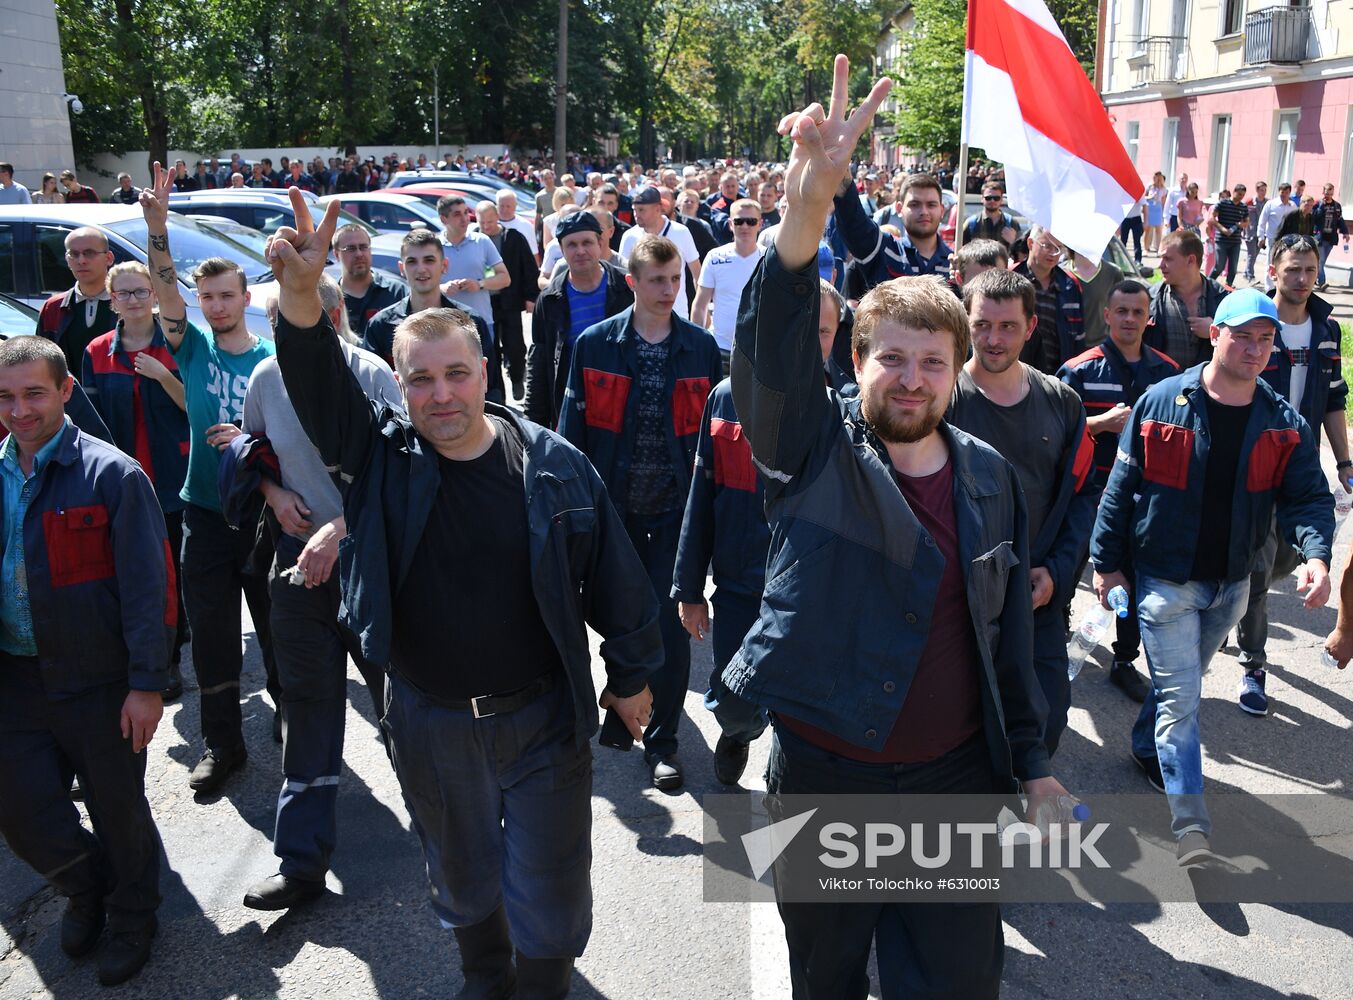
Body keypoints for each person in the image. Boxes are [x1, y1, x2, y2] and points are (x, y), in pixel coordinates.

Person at [264, 188, 660, 999]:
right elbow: (317, 388)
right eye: (420, 381)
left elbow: (614, 578)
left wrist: (629, 674)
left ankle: (543, 984)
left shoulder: (550, 466)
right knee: (461, 872)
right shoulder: (379, 459)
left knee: (551, 882)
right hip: (430, 718)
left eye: (455, 375)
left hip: (542, 718)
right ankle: (485, 977)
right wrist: (302, 299)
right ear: (399, 388)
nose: (439, 395)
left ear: (486, 371)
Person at [730, 58, 1066, 997]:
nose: (910, 378)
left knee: (956, 984)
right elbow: (769, 358)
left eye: (931, 361)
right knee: (826, 979)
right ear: (858, 362)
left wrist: (1031, 766)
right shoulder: (811, 449)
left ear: (959, 371)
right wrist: (807, 213)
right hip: (828, 780)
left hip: (954, 785)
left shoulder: (992, 478)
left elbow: (1005, 637)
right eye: (890, 359)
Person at [1092, 288, 1333, 862]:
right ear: (1216, 335)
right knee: (1182, 698)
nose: (1253, 349)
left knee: (1183, 687)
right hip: (1164, 581)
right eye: (1242, 336)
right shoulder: (1161, 401)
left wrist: (1317, 557)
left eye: (1265, 340)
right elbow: (1120, 492)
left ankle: (1144, 748)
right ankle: (1191, 827)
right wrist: (1106, 564)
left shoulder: (1283, 422)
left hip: (1233, 585)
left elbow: (1307, 498)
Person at [0, 334, 172, 986]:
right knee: (22, 811)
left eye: (34, 394)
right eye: (7, 397)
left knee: (117, 808)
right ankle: (86, 886)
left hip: (98, 682)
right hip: (15, 680)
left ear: (65, 391)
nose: (20, 411)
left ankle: (134, 916)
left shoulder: (112, 476)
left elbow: (149, 590)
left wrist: (147, 685)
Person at [236, 277, 401, 912]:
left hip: (372, 569)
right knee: (306, 708)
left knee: (402, 706)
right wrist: (275, 497)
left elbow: (406, 473)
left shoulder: (373, 374)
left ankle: (453, 837)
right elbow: (254, 457)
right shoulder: (265, 380)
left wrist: (340, 528)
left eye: (297, 317)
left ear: (331, 315)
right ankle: (301, 863)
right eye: (278, 319)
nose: (286, 330)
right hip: (296, 575)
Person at [558, 234, 723, 791]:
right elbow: (570, 435)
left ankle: (663, 741)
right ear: (632, 282)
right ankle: (620, 706)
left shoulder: (701, 349)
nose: (668, 290)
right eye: (657, 280)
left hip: (677, 515)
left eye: (675, 280)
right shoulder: (595, 345)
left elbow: (713, 442)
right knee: (615, 620)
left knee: (669, 633)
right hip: (613, 512)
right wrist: (566, 505)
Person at [139, 163, 281, 794]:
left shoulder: (269, 360)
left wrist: (253, 450)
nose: (215, 304)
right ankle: (223, 745)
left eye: (227, 295)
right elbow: (164, 291)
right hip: (202, 511)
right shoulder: (190, 345)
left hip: (262, 512)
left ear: (246, 298)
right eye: (207, 297)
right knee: (214, 640)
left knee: (279, 626)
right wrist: (158, 230)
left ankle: (297, 722)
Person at [673, 277, 846, 786]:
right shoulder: (727, 399)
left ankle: (785, 769)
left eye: (821, 331)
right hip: (740, 586)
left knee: (802, 714)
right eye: (795, 326)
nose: (806, 341)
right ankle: (737, 732)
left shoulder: (850, 410)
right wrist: (688, 588)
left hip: (814, 597)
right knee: (736, 697)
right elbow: (701, 497)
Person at [947, 268, 1098, 756]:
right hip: (956, 603)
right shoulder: (939, 399)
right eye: (982, 324)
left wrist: (1056, 573)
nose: (993, 339)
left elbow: (1082, 498)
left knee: (1045, 724)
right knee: (962, 729)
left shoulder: (1062, 402)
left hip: (1037, 601)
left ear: (1031, 327)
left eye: (1008, 326)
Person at [1233, 234, 1351, 714]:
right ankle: (1253, 665)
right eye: (1292, 270)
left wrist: (1344, 462)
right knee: (1259, 571)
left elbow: (1336, 400)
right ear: (1273, 271)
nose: (1302, 279)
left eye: (1310, 269)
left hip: (1302, 467)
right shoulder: (1257, 324)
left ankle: (1234, 604)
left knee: (1286, 560)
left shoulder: (1328, 328)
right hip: (1257, 463)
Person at [1058, 280, 1180, 704]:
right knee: (1069, 570)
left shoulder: (1168, 373)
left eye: (1137, 312)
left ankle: (1125, 659)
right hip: (1088, 494)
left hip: (1141, 500)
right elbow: (1057, 434)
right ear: (1107, 315)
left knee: (1128, 576)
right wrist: (1099, 424)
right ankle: (1055, 641)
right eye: (1121, 311)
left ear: (1149, 318)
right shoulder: (1080, 369)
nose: (1129, 319)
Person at [82, 262, 191, 701]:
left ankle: (170, 659)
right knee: (130, 569)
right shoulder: (96, 352)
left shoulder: (179, 346)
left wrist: (163, 375)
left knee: (170, 572)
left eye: (141, 291)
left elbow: (197, 408)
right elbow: (89, 425)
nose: (133, 300)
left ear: (154, 295)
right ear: (113, 302)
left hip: (172, 479)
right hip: (122, 484)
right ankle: (137, 655)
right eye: (123, 294)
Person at [363, 228, 503, 402]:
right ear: (402, 268)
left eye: (429, 260)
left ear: (444, 265)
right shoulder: (380, 326)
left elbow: (492, 388)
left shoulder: (471, 322)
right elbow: (372, 391)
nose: (421, 269)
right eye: (412, 261)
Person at [524, 212, 633, 429]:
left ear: (600, 243)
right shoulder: (549, 300)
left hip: (625, 406)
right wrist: (533, 427)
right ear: (561, 250)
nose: (580, 251)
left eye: (587, 242)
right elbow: (539, 364)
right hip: (571, 406)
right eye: (572, 245)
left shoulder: (627, 288)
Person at [830, 171, 950, 291]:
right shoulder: (884, 250)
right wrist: (841, 173)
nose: (924, 211)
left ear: (942, 210)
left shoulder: (954, 264)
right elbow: (853, 223)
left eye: (931, 205)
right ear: (899, 209)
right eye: (914, 204)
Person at [472, 200, 539, 400]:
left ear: (497, 218)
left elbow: (528, 267)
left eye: (490, 222)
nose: (486, 227)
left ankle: (517, 376)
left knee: (515, 345)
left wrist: (531, 296)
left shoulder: (513, 238)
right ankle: (497, 393)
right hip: (484, 302)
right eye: (482, 222)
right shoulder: (473, 239)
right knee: (490, 348)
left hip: (509, 300)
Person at [691, 198, 765, 370]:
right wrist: (694, 341)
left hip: (759, 350)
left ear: (760, 224)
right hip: (721, 349)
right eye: (739, 221)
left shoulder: (769, 258)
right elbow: (700, 304)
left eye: (751, 221)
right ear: (731, 224)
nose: (745, 226)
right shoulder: (715, 257)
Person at [37, 227, 117, 376]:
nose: (81, 260)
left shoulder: (128, 303)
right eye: (74, 254)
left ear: (109, 258)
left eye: (89, 253)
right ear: (67, 260)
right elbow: (41, 363)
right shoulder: (53, 308)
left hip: (117, 396)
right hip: (69, 396)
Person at [1146, 229, 1229, 368]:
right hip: (1162, 386)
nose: (1160, 265)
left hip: (1208, 387)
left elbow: (1243, 341)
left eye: (1168, 259)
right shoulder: (1150, 299)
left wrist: (1218, 332)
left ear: (1191, 260)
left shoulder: (1224, 299)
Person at [619, 187, 701, 319]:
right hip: (642, 317)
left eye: (641, 210)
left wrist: (701, 306)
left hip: (678, 314)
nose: (636, 215)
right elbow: (622, 277)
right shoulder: (629, 237)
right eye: (634, 210)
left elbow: (697, 272)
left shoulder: (681, 232)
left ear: (658, 209)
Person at [1013, 225, 1085, 374]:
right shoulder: (1011, 278)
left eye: (1059, 248)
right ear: (1030, 243)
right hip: (1018, 373)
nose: (1053, 253)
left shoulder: (1070, 284)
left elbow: (1079, 336)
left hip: (1059, 374)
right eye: (1047, 246)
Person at [332, 222, 406, 340]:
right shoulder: (331, 298)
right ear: (336, 254)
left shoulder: (397, 292)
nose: (359, 254)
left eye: (363, 247)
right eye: (351, 249)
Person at [1258, 183, 1298, 289]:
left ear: (1289, 193)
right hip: (1272, 239)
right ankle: (1269, 288)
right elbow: (1262, 221)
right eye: (1281, 192)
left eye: (1285, 192)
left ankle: (1283, 285)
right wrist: (1260, 237)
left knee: (1285, 262)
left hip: (1288, 240)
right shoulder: (1271, 204)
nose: (1283, 194)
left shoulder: (1293, 206)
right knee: (1270, 262)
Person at [1312, 183, 1348, 290]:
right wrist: (1322, 207)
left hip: (1331, 238)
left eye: (1330, 190)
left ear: (1333, 192)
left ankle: (1314, 278)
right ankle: (1322, 282)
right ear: (1323, 191)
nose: (1328, 193)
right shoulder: (1318, 204)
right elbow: (1315, 218)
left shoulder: (1336, 206)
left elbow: (1340, 221)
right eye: (1326, 190)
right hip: (1320, 237)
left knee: (1321, 261)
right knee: (1320, 261)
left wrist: (1345, 232)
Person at [1209, 186, 1247, 286]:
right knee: (1219, 267)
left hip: (1235, 241)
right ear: (1234, 192)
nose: (1240, 197)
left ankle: (1228, 287)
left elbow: (1246, 221)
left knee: (1233, 269)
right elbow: (1212, 218)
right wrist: (1222, 229)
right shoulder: (1223, 203)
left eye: (1243, 195)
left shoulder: (1243, 207)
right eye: (1239, 194)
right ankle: (1208, 284)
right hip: (1221, 240)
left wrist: (1241, 225)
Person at [961, 183, 1018, 248]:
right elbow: (960, 249)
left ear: (1001, 199)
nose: (992, 201)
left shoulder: (1011, 223)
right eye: (988, 198)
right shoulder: (971, 223)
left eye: (996, 198)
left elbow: (1022, 253)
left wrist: (1013, 242)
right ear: (982, 199)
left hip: (1004, 258)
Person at [1243, 181, 1268, 283]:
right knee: (1251, 254)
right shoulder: (1249, 202)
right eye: (1262, 190)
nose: (1264, 192)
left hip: (1261, 232)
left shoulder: (1267, 203)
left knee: (1256, 253)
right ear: (1257, 190)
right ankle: (1250, 275)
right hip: (1251, 231)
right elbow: (1243, 215)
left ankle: (1246, 272)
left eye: (1265, 190)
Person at [1142, 171, 1168, 255]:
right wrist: (1150, 197)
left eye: (1156, 177)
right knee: (1148, 229)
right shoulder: (1150, 186)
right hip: (1149, 207)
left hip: (1158, 208)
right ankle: (1146, 248)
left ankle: (1158, 248)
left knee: (1158, 229)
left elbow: (1163, 201)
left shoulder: (1163, 189)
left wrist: (1164, 214)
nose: (1154, 179)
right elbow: (1143, 197)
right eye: (1154, 177)